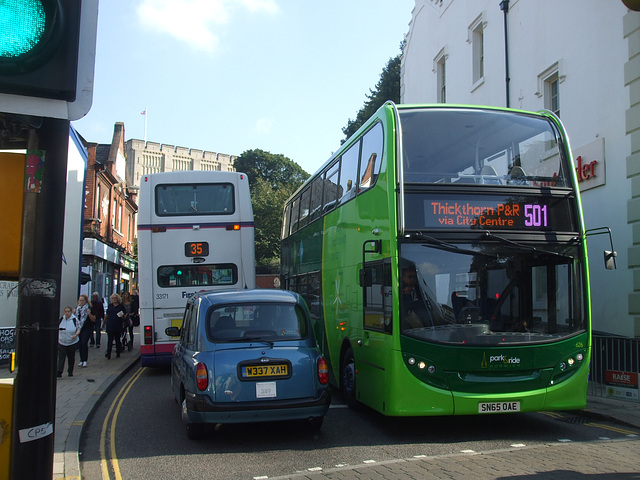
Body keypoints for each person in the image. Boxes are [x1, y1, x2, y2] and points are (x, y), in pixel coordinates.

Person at [57, 306, 80, 377]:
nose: (67, 313)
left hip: (72, 342)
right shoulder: (61, 320)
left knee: (71, 357)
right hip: (62, 341)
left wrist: (76, 335)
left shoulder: (74, 320)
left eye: (68, 312)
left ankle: (70, 371)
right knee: (61, 357)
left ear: (71, 312)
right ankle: (59, 371)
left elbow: (78, 328)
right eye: (65, 312)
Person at [104, 293, 126, 360]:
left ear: (118, 299)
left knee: (117, 339)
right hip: (110, 324)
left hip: (117, 324)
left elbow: (124, 315)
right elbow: (107, 314)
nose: (114, 299)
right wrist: (103, 322)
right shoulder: (110, 306)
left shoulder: (121, 306)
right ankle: (108, 353)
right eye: (113, 298)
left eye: (115, 298)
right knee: (110, 340)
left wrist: (123, 316)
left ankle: (118, 352)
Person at [75, 294, 91, 367]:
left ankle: (85, 360)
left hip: (86, 328)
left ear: (86, 301)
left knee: (84, 343)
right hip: (79, 329)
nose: (81, 302)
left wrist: (89, 314)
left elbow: (94, 319)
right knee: (80, 344)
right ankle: (81, 360)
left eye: (82, 300)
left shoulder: (89, 308)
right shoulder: (77, 309)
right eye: (80, 300)